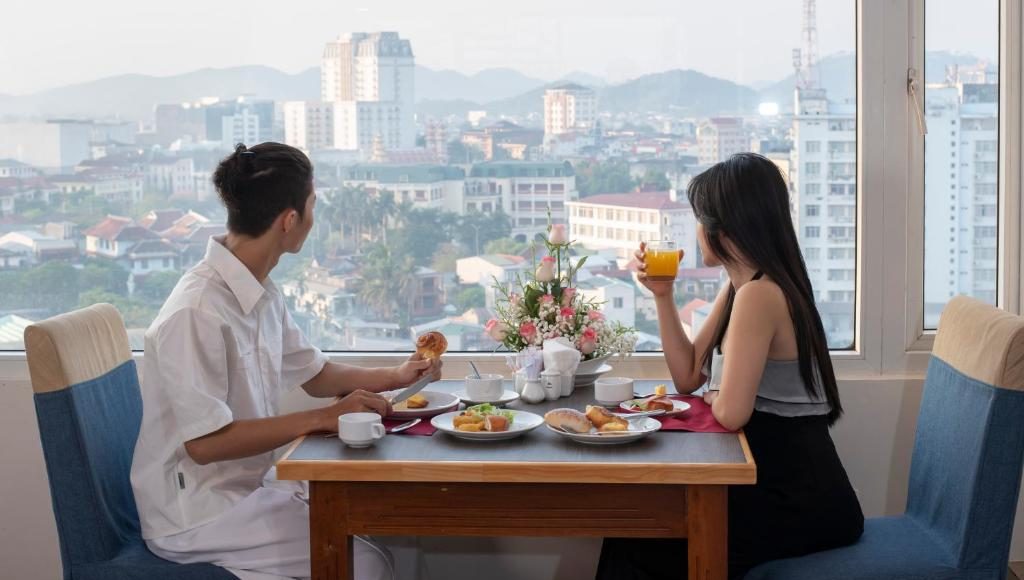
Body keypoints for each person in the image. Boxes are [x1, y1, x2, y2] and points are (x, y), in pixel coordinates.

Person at [130, 142, 440, 580]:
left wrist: (397, 375)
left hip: (250, 485)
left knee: (389, 525)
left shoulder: (258, 290)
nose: (314, 218)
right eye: (312, 205)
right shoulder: (196, 311)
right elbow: (205, 444)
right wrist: (324, 417)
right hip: (198, 512)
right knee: (368, 563)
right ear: (290, 220)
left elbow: (315, 375)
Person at [596, 153, 863, 580]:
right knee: (635, 530)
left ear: (723, 229)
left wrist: (717, 392)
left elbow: (731, 412)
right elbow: (688, 377)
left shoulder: (760, 294)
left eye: (698, 219)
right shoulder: (743, 285)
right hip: (776, 484)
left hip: (800, 502)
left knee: (640, 540)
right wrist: (663, 295)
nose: (696, 231)